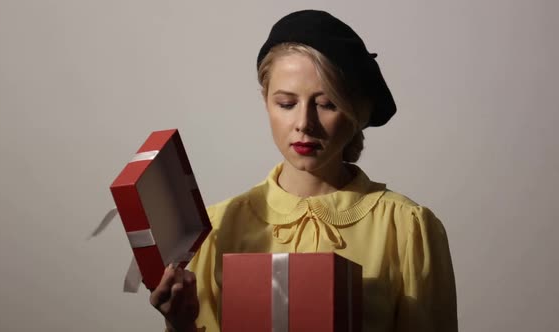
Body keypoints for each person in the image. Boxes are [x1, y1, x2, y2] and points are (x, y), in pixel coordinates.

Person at [149, 10, 457, 332]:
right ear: (265, 101)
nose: (303, 124)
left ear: (356, 112)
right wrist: (179, 324)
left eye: (326, 104)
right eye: (286, 103)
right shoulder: (215, 229)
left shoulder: (406, 228)